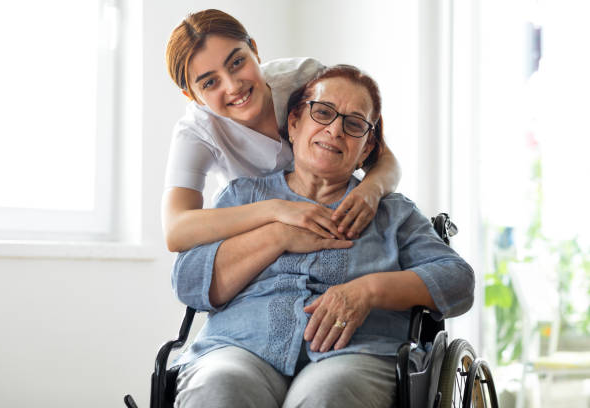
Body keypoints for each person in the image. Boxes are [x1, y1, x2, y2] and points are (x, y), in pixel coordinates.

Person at [170, 65, 475, 408]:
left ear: (366, 147)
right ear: (295, 124)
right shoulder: (244, 197)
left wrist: (368, 290)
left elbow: (458, 280)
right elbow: (189, 282)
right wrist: (277, 236)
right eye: (323, 113)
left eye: (354, 123)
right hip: (240, 347)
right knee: (217, 387)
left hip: (356, 355)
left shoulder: (393, 213)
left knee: (327, 396)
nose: (335, 130)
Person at [162, 9, 402, 253]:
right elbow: (175, 230)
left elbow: (379, 153)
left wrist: (371, 190)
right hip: (262, 242)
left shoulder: (305, 78)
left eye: (237, 62)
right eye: (210, 82)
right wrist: (277, 209)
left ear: (254, 50)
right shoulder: (196, 132)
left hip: (335, 219)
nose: (233, 86)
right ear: (192, 96)